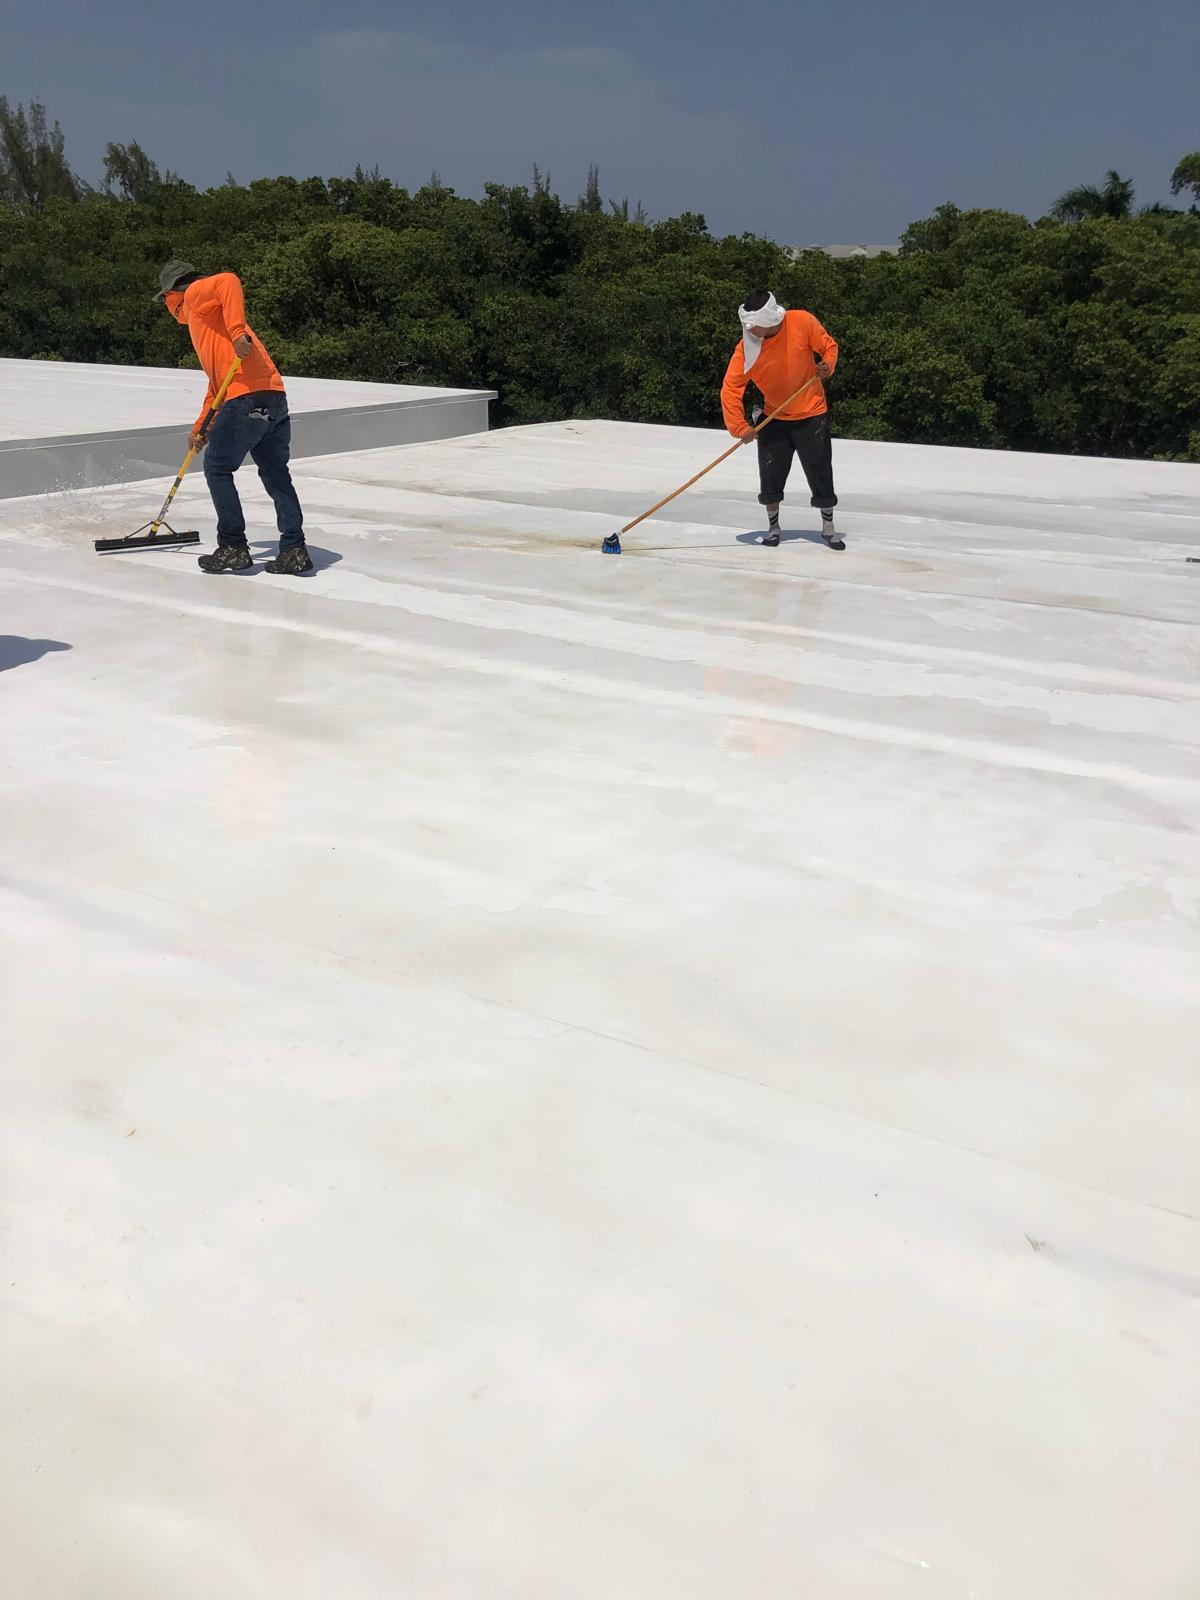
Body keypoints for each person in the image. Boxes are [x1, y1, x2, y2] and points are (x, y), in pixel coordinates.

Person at [152, 258, 312, 574]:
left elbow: (227, 279)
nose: (169, 309)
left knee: (217, 466)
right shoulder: (209, 325)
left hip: (247, 398)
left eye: (166, 300)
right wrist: (202, 427)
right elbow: (218, 386)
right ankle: (294, 549)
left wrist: (238, 331)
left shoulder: (196, 295)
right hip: (273, 396)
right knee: (275, 471)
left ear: (174, 293)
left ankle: (233, 547)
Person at [720, 289, 844, 549]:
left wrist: (827, 365)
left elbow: (829, 346)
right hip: (774, 415)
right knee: (771, 474)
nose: (749, 331)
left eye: (754, 327)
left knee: (819, 470)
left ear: (769, 322)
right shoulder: (747, 348)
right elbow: (731, 388)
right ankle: (774, 528)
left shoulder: (801, 322)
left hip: (812, 412)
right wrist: (739, 426)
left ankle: (828, 527)